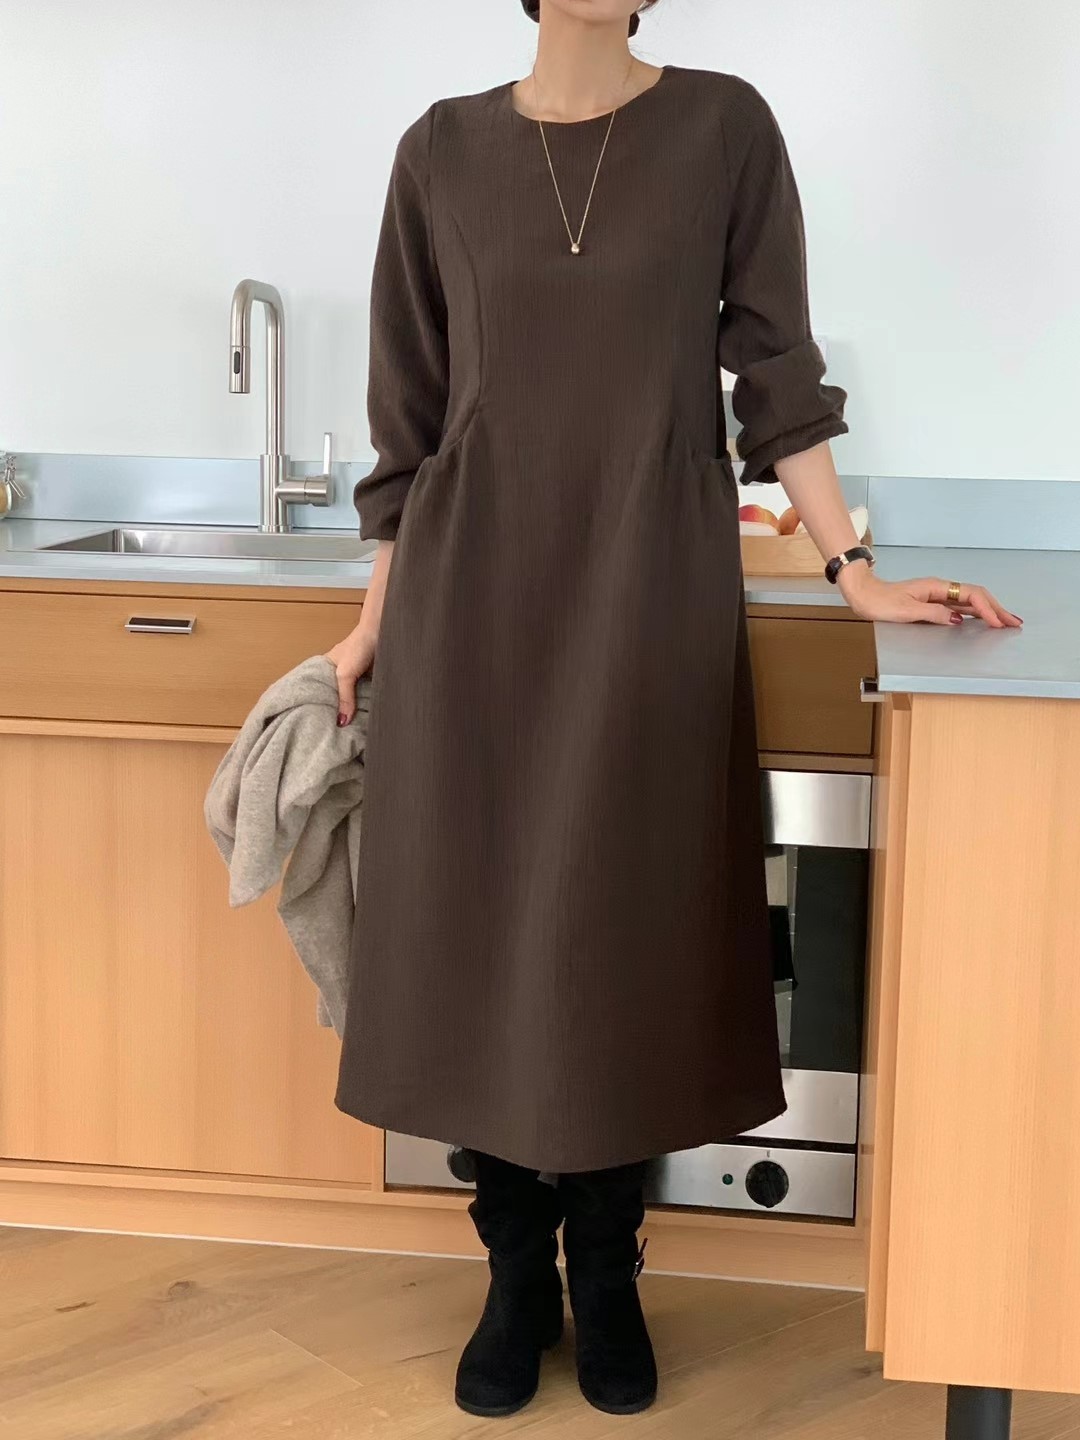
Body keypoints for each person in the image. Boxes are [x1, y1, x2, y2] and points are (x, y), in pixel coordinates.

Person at [327, 0, 1021, 1419]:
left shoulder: (722, 126)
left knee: (625, 930)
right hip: (472, 599)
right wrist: (372, 623)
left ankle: (608, 1264)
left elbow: (779, 378)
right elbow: (411, 415)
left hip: (648, 588)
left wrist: (854, 573)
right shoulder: (438, 151)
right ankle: (515, 1272)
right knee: (481, 933)